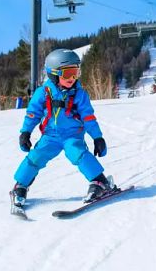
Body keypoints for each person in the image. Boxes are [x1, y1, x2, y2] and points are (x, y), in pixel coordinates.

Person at [10, 49, 115, 209]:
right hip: (50, 136)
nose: (72, 78)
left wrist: (97, 137)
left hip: (72, 135)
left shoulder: (80, 94)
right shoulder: (43, 93)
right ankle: (20, 186)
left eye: (76, 73)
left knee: (78, 153)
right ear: (53, 74)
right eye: (68, 74)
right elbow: (32, 114)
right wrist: (25, 132)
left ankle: (100, 182)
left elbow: (88, 117)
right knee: (35, 157)